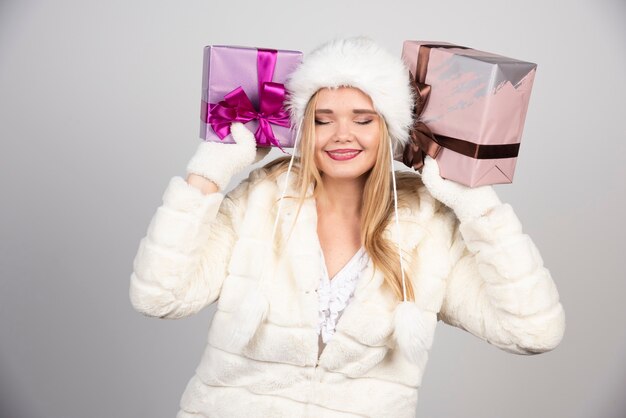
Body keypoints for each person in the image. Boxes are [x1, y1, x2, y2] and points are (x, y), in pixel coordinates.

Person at [129, 36, 566, 418]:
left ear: (389, 129)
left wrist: (477, 206)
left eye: (363, 119)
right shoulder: (260, 199)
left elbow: (532, 332)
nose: (342, 134)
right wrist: (207, 174)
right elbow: (159, 296)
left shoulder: (427, 225)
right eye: (323, 119)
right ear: (304, 128)